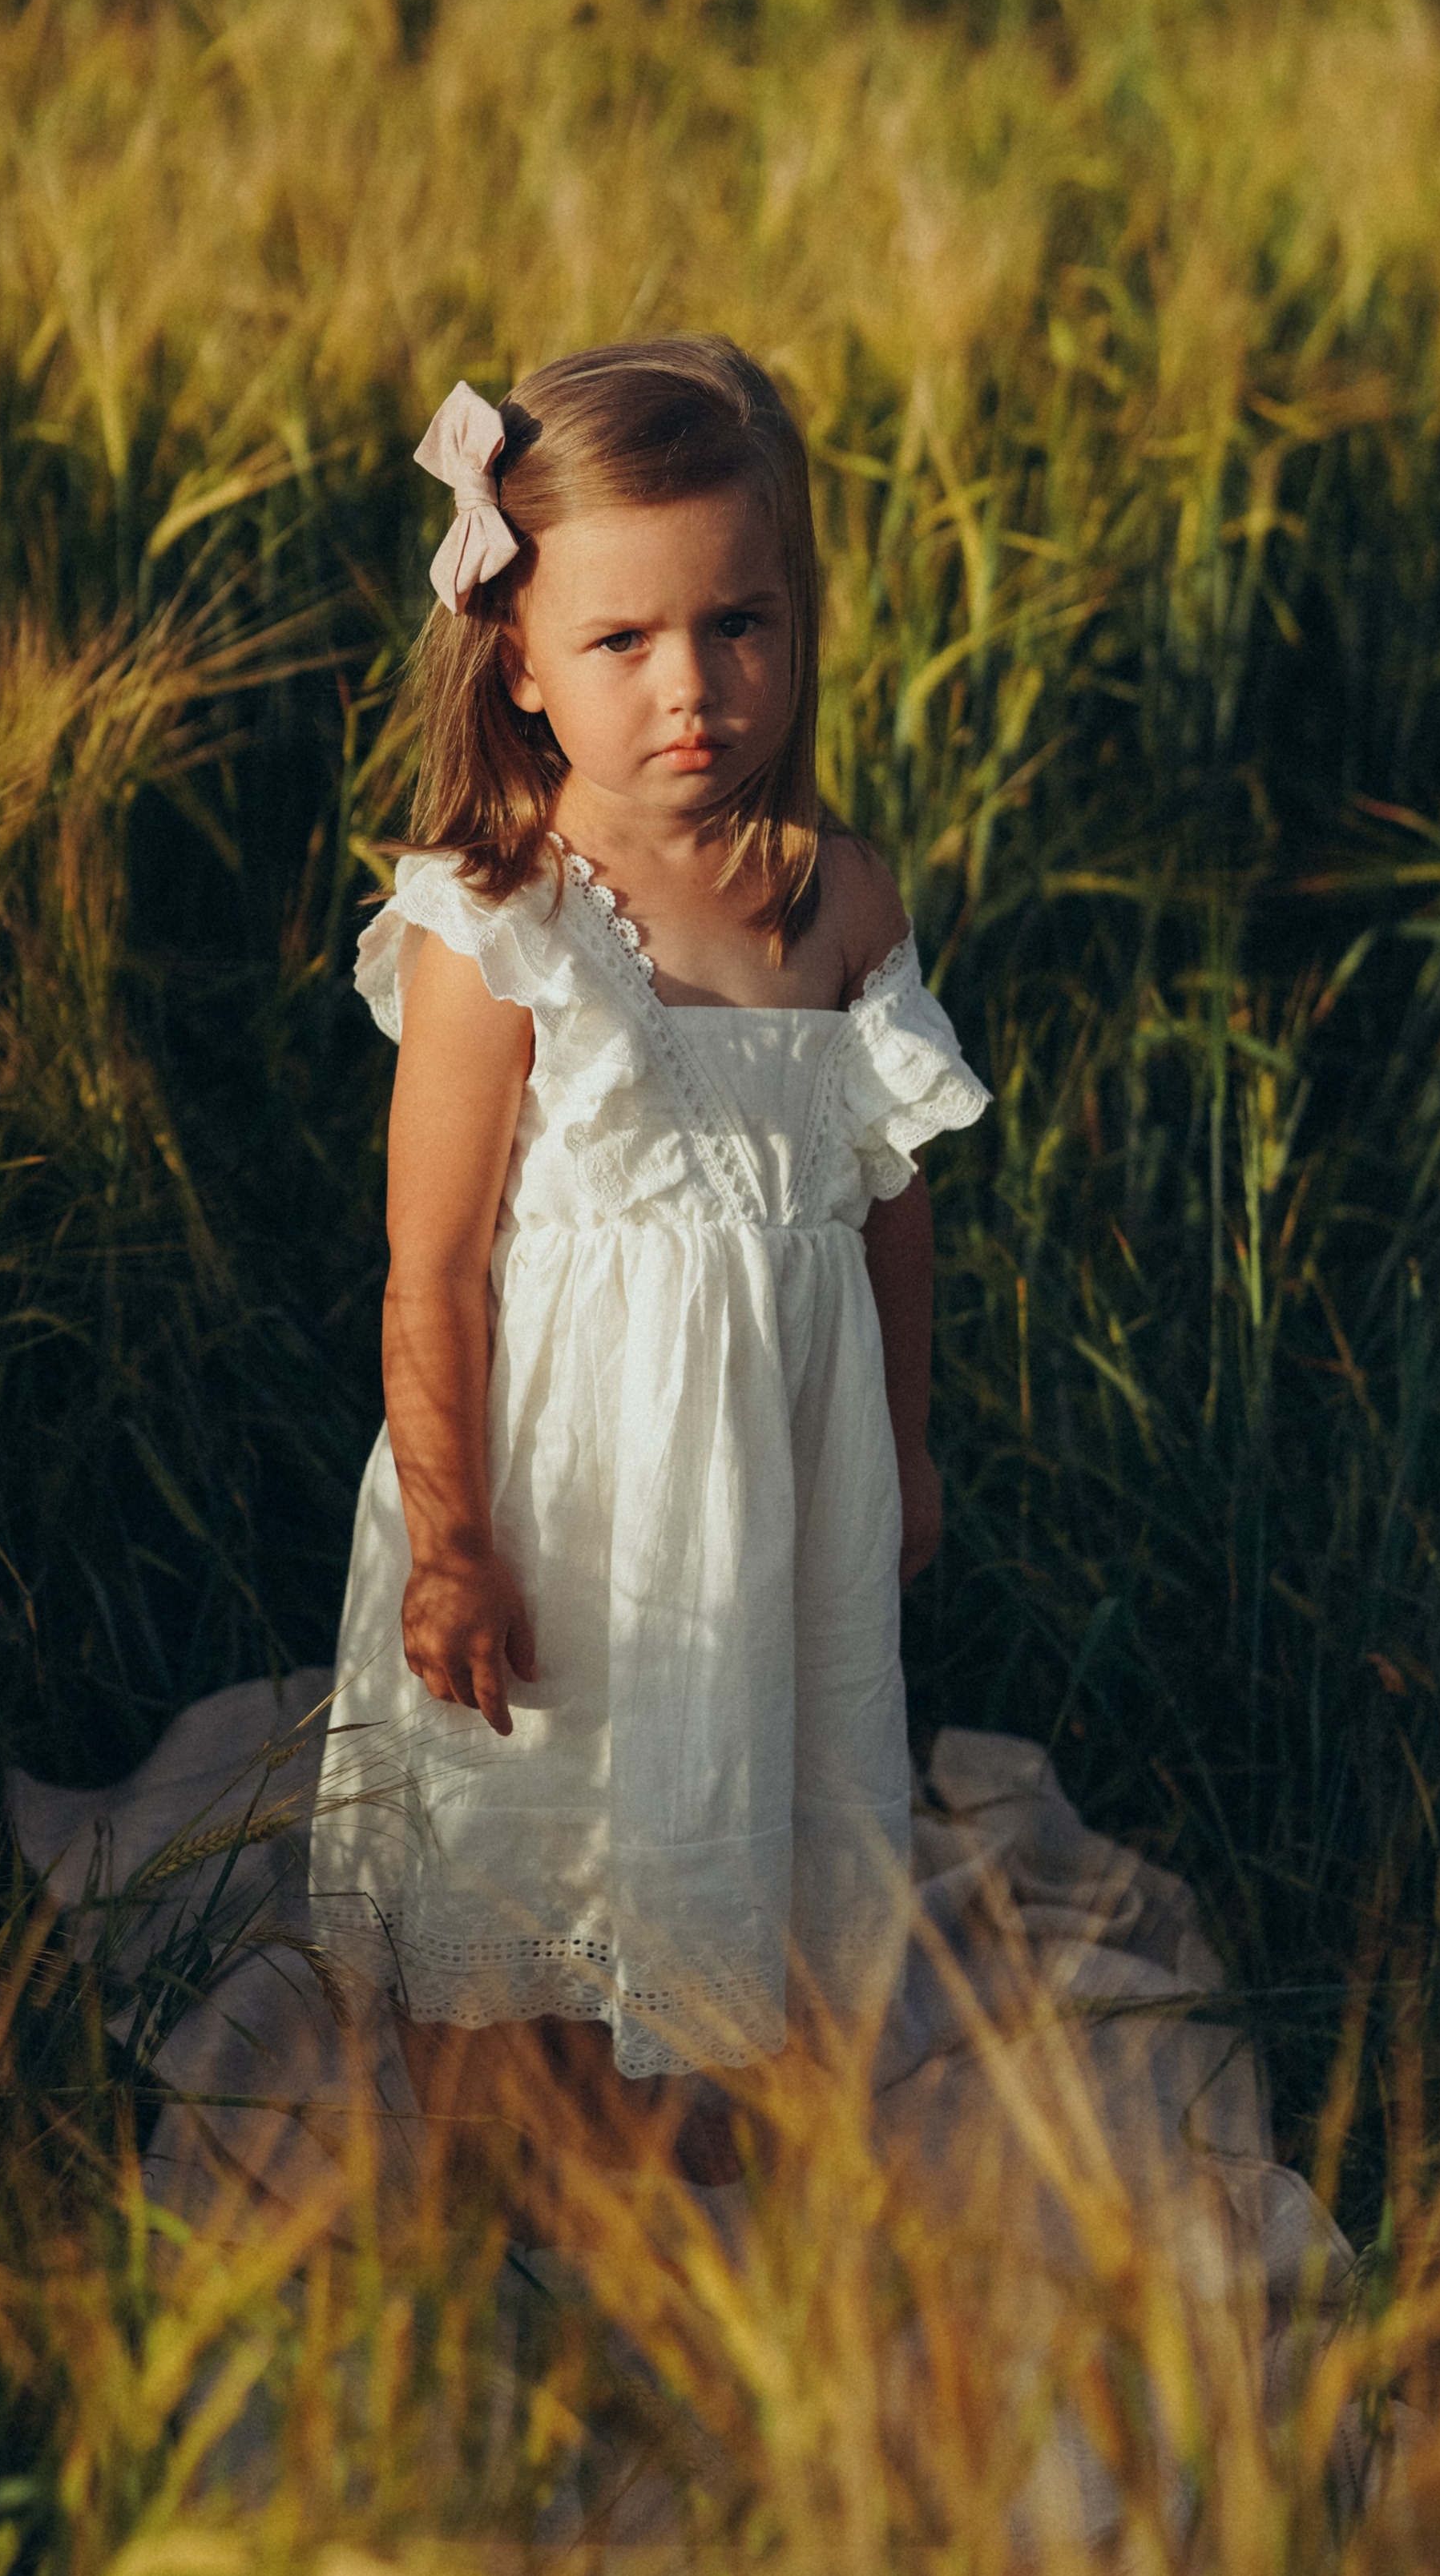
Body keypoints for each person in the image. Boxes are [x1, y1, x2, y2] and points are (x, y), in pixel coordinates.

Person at [308, 337, 990, 2184]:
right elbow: (431, 1270)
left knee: (738, 1792)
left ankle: (684, 2127)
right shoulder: (498, 926)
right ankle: (496, 2168)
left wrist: (907, 1451)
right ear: (514, 656)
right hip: (559, 1493)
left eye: (739, 624)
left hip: (775, 1472)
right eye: (621, 643)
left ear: (796, 622)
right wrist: (453, 1537)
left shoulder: (836, 900)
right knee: (530, 1819)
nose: (693, 688)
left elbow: (887, 1206)